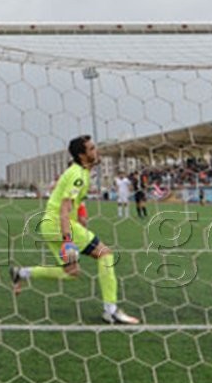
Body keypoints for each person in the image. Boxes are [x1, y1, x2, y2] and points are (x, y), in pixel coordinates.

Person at [10, 135, 140, 325]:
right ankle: (110, 311)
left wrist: (80, 216)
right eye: (92, 149)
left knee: (70, 272)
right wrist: (68, 239)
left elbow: (73, 200)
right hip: (59, 224)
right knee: (105, 254)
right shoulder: (77, 175)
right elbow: (64, 208)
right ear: (82, 155)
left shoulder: (80, 171)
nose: (96, 151)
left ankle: (21, 273)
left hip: (50, 225)